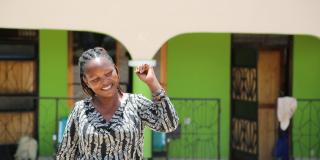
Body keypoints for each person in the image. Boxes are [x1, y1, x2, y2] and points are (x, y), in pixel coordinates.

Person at [56, 47, 179, 160]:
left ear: (116, 69)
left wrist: (153, 83)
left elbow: (169, 124)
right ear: (86, 82)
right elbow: (66, 154)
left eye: (108, 73)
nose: (105, 82)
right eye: (95, 79)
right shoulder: (80, 110)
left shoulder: (135, 103)